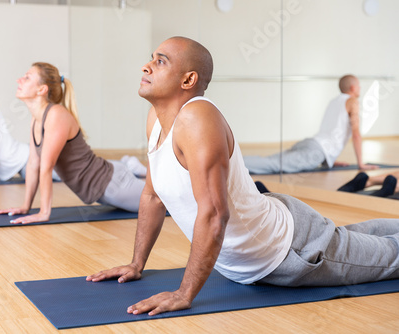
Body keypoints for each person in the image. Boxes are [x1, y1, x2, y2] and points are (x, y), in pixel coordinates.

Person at [86, 37, 399, 316]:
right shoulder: (156, 117)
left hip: (291, 251)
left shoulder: (197, 117)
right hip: (269, 235)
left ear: (188, 79)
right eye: (152, 58)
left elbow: (214, 214)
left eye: (160, 61)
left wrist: (184, 294)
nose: (146, 66)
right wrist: (136, 264)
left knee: (388, 256)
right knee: (361, 237)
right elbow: (152, 196)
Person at [0, 62, 146, 224]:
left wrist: (44, 213)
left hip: (114, 185)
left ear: (42, 89)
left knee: (167, 202)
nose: (19, 80)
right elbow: (33, 164)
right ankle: (131, 165)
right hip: (103, 189)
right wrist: (26, 206)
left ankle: (136, 167)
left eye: (27, 77)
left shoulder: (56, 115)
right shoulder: (36, 119)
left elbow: (46, 167)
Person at [243, 75, 378, 174]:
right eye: (359, 86)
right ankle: (231, 164)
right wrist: (360, 163)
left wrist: (328, 160)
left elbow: (331, 131)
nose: (360, 88)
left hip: (311, 144)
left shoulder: (334, 101)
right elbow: (356, 134)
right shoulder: (352, 101)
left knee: (270, 160)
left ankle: (235, 161)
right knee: (272, 165)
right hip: (316, 150)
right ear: (353, 87)